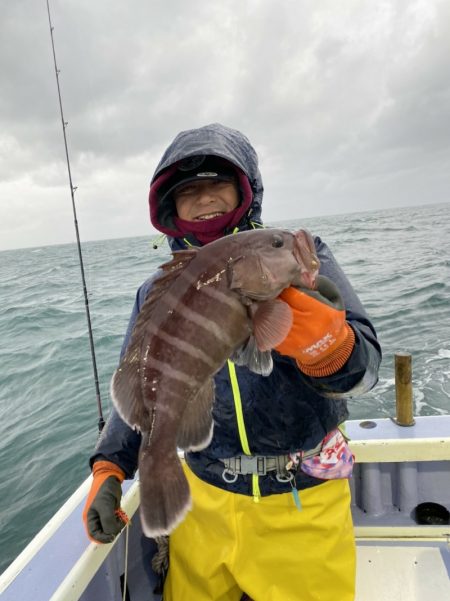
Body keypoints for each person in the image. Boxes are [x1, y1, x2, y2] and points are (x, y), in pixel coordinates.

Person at [83, 123, 381, 600]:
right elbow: (144, 381)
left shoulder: (305, 257)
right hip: (203, 502)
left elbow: (365, 371)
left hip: (302, 498)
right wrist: (110, 467)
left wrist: (330, 348)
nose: (205, 199)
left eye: (217, 184)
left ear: (245, 189)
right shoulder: (155, 291)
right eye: (189, 191)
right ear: (170, 207)